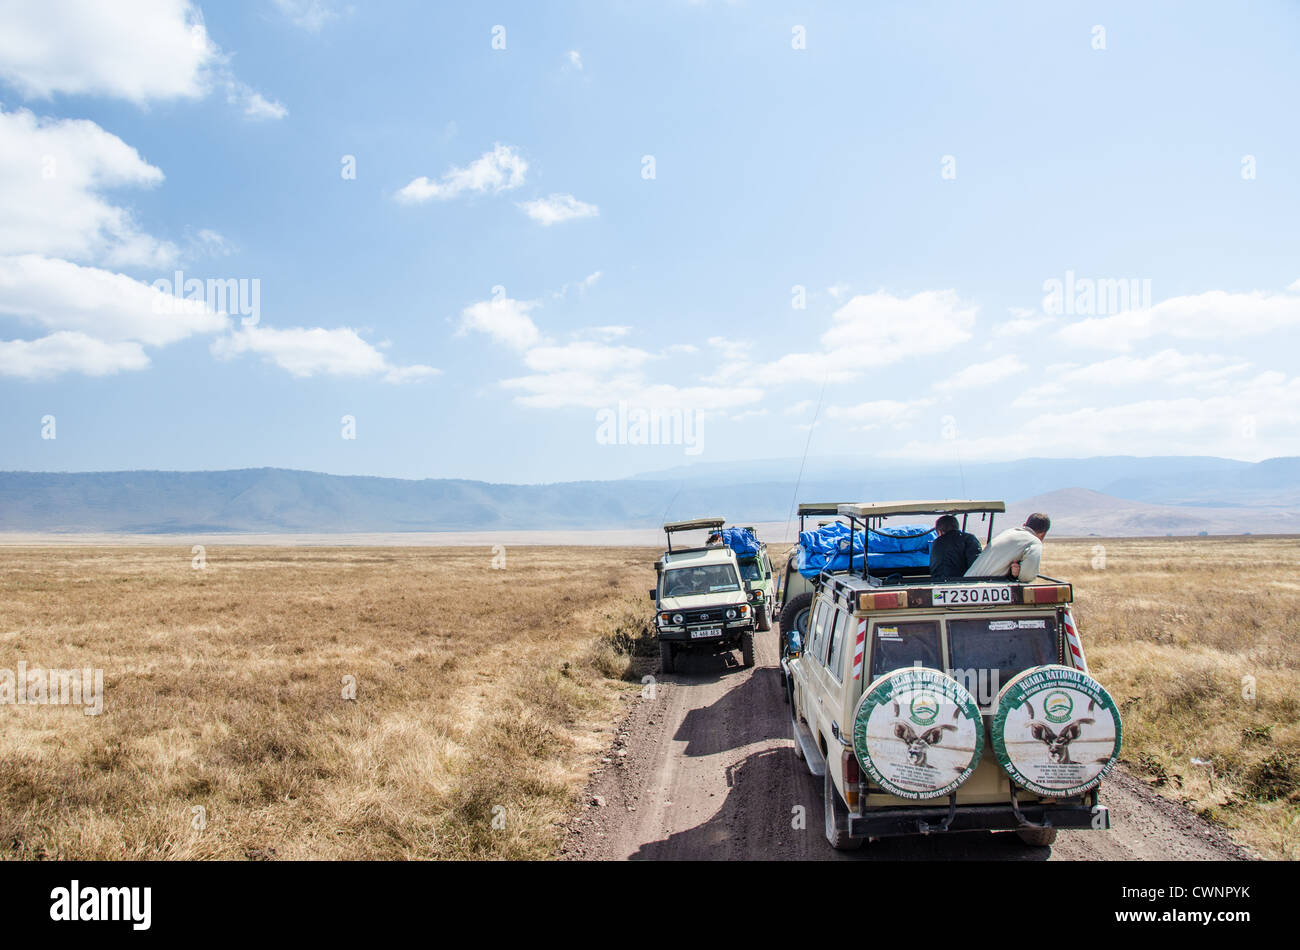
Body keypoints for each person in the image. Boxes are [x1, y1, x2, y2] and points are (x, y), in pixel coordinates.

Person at [964, 513, 1051, 582]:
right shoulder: (1034, 541)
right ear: (1043, 533)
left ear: (1024, 524)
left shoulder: (1009, 532)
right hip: (985, 585)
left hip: (966, 582)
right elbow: (1027, 576)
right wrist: (1018, 575)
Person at [929, 514, 982, 580]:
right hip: (962, 583)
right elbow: (977, 565)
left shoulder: (935, 543)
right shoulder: (969, 539)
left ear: (940, 531)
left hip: (938, 582)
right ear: (956, 527)